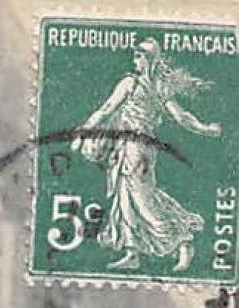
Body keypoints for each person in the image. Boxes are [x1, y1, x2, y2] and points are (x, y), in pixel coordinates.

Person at [70, 38, 222, 272]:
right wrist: (205, 129)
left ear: (149, 59)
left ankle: (183, 240)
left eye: (139, 56)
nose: (135, 60)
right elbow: (109, 109)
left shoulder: (137, 84)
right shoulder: (148, 85)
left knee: (143, 199)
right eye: (135, 55)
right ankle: (132, 252)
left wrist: (204, 129)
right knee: (125, 196)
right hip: (132, 146)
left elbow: (108, 109)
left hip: (137, 148)